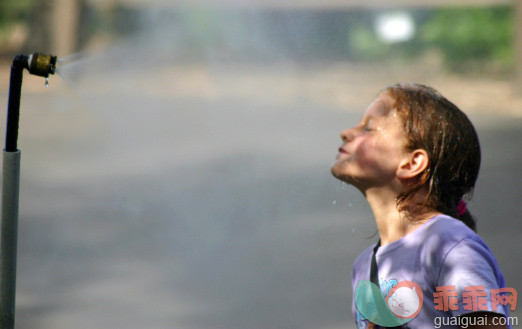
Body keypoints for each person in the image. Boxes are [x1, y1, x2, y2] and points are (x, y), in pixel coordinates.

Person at [330, 84, 513, 328]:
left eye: (369, 129)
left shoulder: (447, 245)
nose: (346, 132)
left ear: (412, 162)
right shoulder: (364, 267)